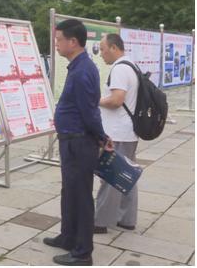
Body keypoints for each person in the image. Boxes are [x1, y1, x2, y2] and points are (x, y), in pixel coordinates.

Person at [43, 19, 113, 266]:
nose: (56, 43)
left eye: (59, 39)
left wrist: (102, 137)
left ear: (73, 42)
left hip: (80, 142)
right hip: (70, 141)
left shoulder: (84, 70)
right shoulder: (77, 66)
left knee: (81, 195)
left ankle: (83, 252)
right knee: (69, 191)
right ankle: (68, 236)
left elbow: (90, 111)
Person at [94, 33, 140, 234]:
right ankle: (127, 219)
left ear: (114, 48)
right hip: (128, 131)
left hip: (118, 132)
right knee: (127, 175)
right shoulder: (132, 64)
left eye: (103, 49)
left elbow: (116, 100)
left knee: (111, 177)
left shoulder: (120, 68)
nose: (101, 54)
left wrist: (95, 100)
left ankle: (100, 222)